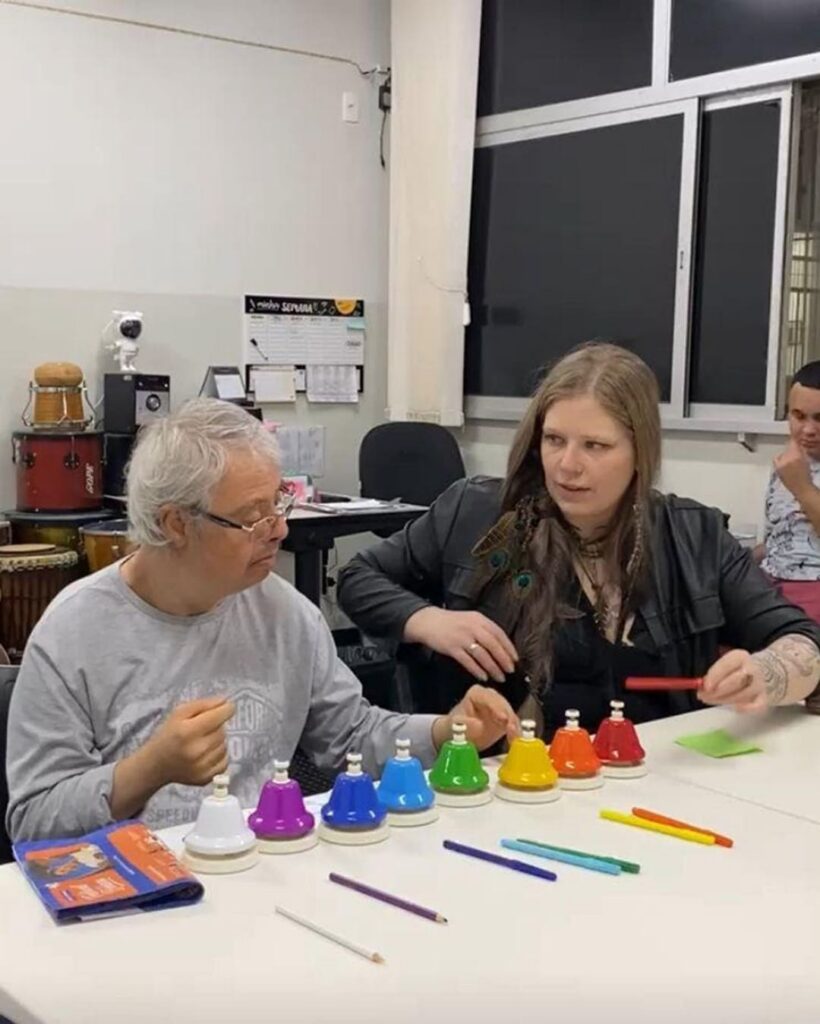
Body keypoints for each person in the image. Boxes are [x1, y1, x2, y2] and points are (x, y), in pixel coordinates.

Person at [6, 399, 517, 843]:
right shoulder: (75, 631)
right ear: (175, 524)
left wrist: (447, 731)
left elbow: (349, 736)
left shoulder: (285, 612)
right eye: (252, 515)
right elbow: (33, 820)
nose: (278, 528)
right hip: (127, 898)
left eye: (279, 501)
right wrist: (148, 770)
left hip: (257, 872)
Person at [338, 343, 820, 736]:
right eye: (554, 440)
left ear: (640, 452)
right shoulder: (476, 511)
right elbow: (357, 578)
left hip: (657, 775)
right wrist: (427, 619)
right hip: (509, 779)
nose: (567, 466)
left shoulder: (694, 534)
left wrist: (766, 674)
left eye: (596, 446)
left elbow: (805, 642)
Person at [760, 360, 820, 622]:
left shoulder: (793, 472)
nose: (808, 430)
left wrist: (802, 488)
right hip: (767, 586)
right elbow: (783, 535)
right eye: (798, 416)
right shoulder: (787, 462)